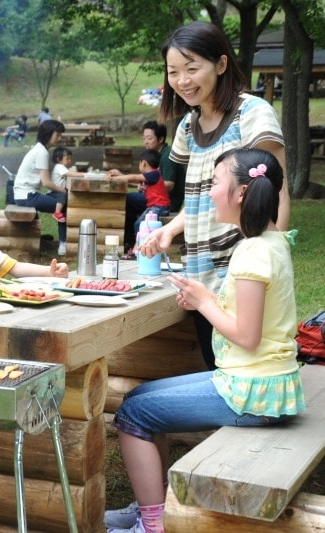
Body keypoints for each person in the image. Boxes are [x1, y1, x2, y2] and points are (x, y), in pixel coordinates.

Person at [106, 148, 305, 533]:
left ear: (242, 193)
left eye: (215, 183)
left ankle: (152, 525)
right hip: (267, 382)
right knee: (138, 400)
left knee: (132, 415)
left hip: (252, 391)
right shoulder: (271, 240)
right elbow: (253, 321)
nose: (209, 192)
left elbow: (246, 336)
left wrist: (202, 302)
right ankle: (154, 504)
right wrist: (208, 298)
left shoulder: (253, 252)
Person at [138, 21, 289, 371]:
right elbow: (198, 198)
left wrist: (274, 248)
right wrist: (171, 229)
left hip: (244, 269)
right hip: (201, 269)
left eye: (193, 68)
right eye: (173, 71)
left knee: (249, 365)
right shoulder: (188, 127)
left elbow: (278, 188)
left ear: (220, 65)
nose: (183, 81)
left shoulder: (252, 114)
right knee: (216, 364)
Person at [13, 119, 68, 255]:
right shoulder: (42, 152)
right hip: (27, 196)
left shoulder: (40, 149)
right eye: (58, 135)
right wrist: (65, 190)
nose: (59, 138)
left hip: (25, 194)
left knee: (61, 199)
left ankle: (47, 239)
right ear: (48, 134)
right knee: (64, 204)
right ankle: (63, 244)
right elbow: (46, 183)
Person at [107, 121, 187, 214]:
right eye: (144, 138)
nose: (145, 142)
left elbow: (169, 185)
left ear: (161, 139)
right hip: (157, 199)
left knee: (126, 199)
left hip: (165, 204)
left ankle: (132, 229)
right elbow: (148, 179)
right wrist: (123, 177)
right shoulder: (155, 155)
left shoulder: (167, 156)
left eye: (149, 138)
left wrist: (146, 185)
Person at [109, 149, 171, 258]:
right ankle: (135, 248)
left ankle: (137, 249)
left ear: (143, 163)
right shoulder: (153, 175)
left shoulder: (153, 174)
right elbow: (136, 181)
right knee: (138, 223)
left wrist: (118, 178)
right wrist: (120, 175)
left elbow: (135, 177)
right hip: (155, 205)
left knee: (140, 224)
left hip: (159, 207)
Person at [50, 146, 86, 223]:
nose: (70, 161)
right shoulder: (59, 167)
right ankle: (57, 212)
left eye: (70, 159)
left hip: (58, 190)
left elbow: (69, 171)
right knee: (62, 195)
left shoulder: (62, 167)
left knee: (65, 194)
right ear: (58, 159)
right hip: (54, 192)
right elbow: (69, 173)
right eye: (67, 159)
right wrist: (83, 174)